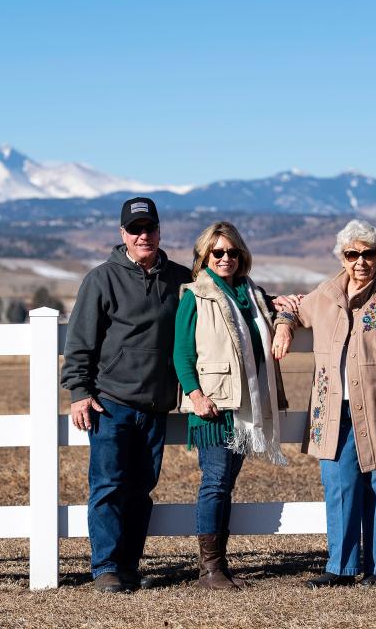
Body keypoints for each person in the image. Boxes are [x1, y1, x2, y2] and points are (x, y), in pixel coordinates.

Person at [273, 219, 376, 588]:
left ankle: (375, 567)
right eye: (352, 254)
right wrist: (283, 325)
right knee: (339, 488)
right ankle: (340, 567)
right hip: (333, 412)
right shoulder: (324, 295)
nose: (360, 261)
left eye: (368, 253)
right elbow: (293, 309)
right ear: (341, 257)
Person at [61, 197, 191, 593]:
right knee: (108, 487)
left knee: (141, 491)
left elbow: (225, 291)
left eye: (149, 228)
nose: (143, 236)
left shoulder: (181, 279)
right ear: (122, 235)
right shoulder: (101, 279)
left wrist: (278, 305)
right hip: (111, 403)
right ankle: (105, 569)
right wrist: (80, 392)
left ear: (159, 231)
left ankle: (130, 567)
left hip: (154, 405)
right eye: (135, 230)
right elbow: (80, 341)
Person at [173, 221, 292, 590]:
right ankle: (209, 569)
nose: (225, 258)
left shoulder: (252, 294)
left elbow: (282, 311)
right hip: (214, 405)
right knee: (215, 483)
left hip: (244, 406)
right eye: (218, 252)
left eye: (232, 252)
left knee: (225, 484)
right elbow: (181, 352)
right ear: (205, 256)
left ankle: (217, 566)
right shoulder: (195, 294)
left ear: (242, 256)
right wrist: (195, 396)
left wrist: (284, 320)